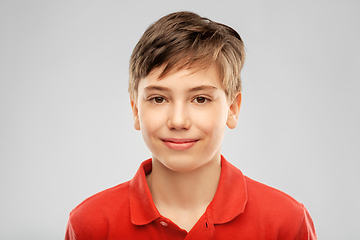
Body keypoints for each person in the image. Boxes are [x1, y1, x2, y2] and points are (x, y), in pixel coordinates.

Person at [65, 11, 317, 239]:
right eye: (159, 98)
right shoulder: (90, 225)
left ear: (232, 109)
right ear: (135, 110)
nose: (178, 121)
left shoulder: (286, 223)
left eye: (200, 99)